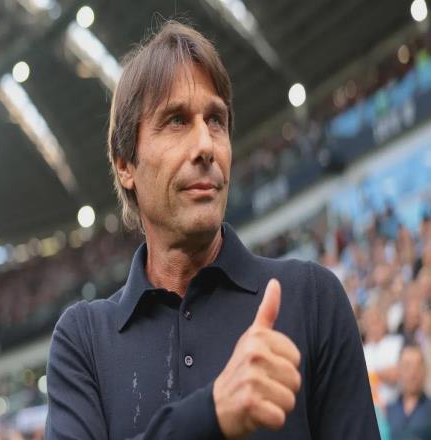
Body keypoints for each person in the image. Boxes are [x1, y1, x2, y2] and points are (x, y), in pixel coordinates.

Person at [45, 21, 380, 439]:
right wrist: (213, 413)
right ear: (125, 165)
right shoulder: (84, 340)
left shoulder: (312, 299)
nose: (205, 145)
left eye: (216, 120)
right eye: (176, 121)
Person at [386, 345, 431, 439]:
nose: (413, 373)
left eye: (418, 366)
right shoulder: (388, 410)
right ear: (398, 370)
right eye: (407, 366)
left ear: (425, 370)